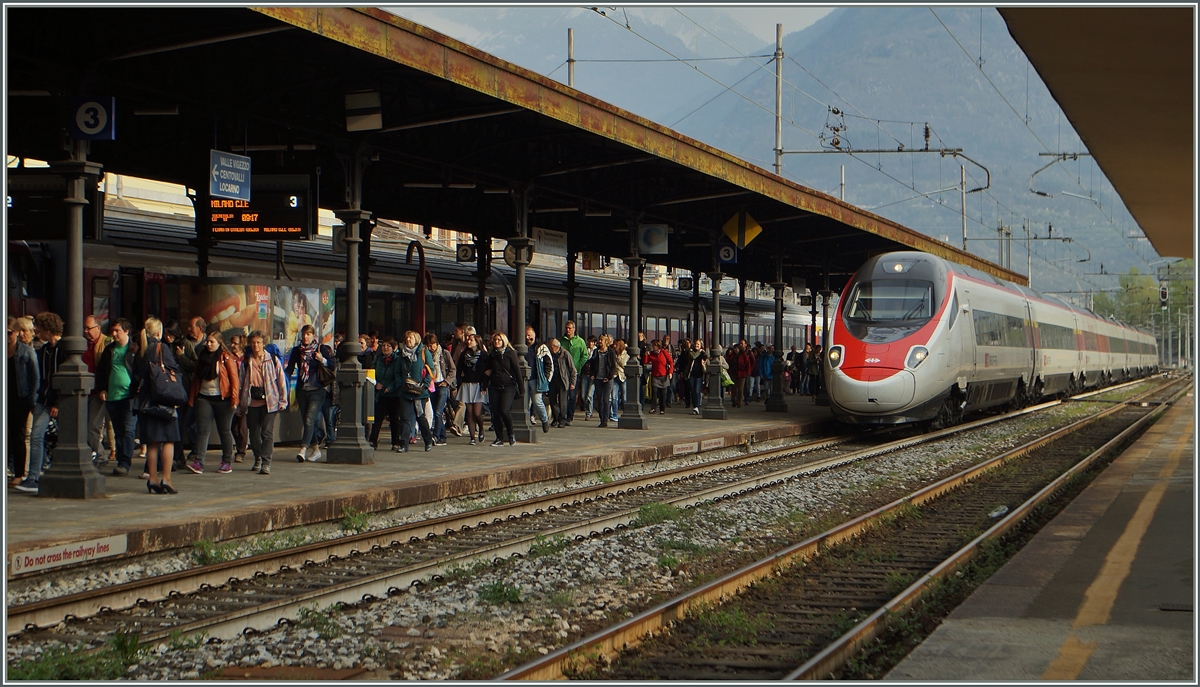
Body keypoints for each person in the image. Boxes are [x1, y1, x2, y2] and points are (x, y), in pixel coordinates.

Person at [133, 317, 183, 494]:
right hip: (164, 399)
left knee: (152, 443)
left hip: (147, 401)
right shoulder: (163, 348)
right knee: (169, 440)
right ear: (158, 332)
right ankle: (166, 479)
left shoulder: (141, 350)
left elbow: (136, 374)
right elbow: (173, 370)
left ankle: (152, 478)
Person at [16, 312, 65, 493]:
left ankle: (35, 476)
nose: (36, 331)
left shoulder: (61, 350)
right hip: (44, 399)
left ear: (48, 329)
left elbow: (60, 379)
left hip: (51, 401)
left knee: (40, 437)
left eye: (38, 327)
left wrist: (57, 403)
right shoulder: (44, 351)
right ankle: (34, 477)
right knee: (36, 437)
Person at [187, 330, 240, 474]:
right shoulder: (202, 357)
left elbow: (234, 380)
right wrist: (192, 399)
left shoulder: (226, 357)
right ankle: (199, 462)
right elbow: (196, 380)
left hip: (223, 399)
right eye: (208, 342)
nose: (209, 344)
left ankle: (226, 461)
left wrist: (235, 400)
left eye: (212, 342)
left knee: (224, 430)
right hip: (204, 397)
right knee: (202, 431)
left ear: (219, 343)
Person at [239, 330, 289, 474]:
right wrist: (240, 404)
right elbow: (241, 382)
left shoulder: (272, 360)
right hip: (252, 402)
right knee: (254, 434)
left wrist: (282, 400)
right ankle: (258, 458)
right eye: (253, 342)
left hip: (270, 402)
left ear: (263, 343)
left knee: (266, 433)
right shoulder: (247, 362)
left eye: (259, 342)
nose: (256, 345)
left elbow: (281, 381)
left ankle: (266, 462)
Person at [285, 324, 336, 463]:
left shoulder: (321, 349)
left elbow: (332, 365)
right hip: (302, 390)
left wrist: (322, 360)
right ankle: (315, 449)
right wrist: (284, 382)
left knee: (309, 419)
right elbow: (290, 368)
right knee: (308, 421)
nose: (305, 337)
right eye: (303, 334)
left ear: (313, 335)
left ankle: (303, 449)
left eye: (308, 334)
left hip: (317, 390)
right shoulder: (297, 351)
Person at [96, 318, 138, 477]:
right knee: (118, 430)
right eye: (112, 331)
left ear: (126, 331)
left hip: (129, 396)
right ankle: (122, 458)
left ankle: (124, 462)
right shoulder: (109, 350)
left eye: (117, 331)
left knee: (128, 429)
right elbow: (101, 371)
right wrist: (102, 389)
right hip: (112, 396)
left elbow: (140, 369)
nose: (114, 334)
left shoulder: (134, 349)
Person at [7, 317, 38, 489]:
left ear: (16, 333)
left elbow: (34, 377)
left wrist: (31, 400)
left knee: (19, 436)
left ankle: (19, 473)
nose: (6, 336)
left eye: (9, 333)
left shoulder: (26, 351)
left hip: (20, 399)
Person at [397, 330, 434, 451]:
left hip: (420, 392)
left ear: (416, 340)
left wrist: (425, 385)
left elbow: (430, 370)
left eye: (411, 338)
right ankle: (404, 444)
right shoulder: (401, 354)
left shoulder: (423, 352)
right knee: (405, 418)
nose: (408, 340)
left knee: (420, 416)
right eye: (407, 338)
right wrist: (400, 384)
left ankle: (428, 440)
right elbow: (397, 372)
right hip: (405, 391)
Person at [81, 315, 110, 464]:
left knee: (93, 426)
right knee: (82, 425)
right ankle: (93, 454)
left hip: (98, 391)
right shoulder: (82, 344)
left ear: (98, 328)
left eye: (89, 328)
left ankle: (101, 454)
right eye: (84, 328)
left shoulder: (106, 343)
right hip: (83, 391)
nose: (86, 331)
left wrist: (103, 388)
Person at [486, 331, 522, 446]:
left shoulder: (510, 353)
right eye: (495, 340)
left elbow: (516, 370)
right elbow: (487, 370)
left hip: (508, 386)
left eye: (499, 340)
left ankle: (511, 433)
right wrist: (485, 383)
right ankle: (499, 438)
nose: (496, 342)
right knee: (495, 412)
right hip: (494, 386)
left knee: (504, 410)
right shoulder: (491, 354)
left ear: (503, 341)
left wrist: (521, 388)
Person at [369, 337, 404, 451]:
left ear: (394, 348)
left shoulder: (398, 360)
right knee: (377, 418)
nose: (385, 348)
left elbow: (399, 377)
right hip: (381, 393)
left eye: (388, 346)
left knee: (394, 419)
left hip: (394, 394)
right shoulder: (378, 358)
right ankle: (373, 441)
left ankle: (395, 442)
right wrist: (376, 383)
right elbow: (372, 372)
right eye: (383, 345)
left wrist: (390, 387)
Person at [456, 330, 489, 444]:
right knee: (469, 412)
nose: (468, 342)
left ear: (477, 341)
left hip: (478, 385)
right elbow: (459, 369)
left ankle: (481, 429)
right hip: (467, 384)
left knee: (477, 413)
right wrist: (458, 384)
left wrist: (484, 386)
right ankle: (472, 437)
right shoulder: (464, 354)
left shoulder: (483, 355)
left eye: (471, 340)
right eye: (468, 340)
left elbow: (487, 371)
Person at [425, 333, 455, 446]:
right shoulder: (425, 355)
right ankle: (443, 436)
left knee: (439, 411)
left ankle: (436, 436)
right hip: (432, 386)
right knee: (434, 411)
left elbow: (453, 369)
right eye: (428, 345)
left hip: (442, 385)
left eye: (432, 344)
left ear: (437, 344)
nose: (431, 347)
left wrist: (446, 382)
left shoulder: (444, 353)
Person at [582, 334, 618, 427]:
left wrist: (609, 376)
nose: (600, 342)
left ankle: (605, 419)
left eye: (601, 340)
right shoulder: (596, 351)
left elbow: (614, 366)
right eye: (599, 340)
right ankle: (602, 418)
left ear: (606, 342)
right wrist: (592, 374)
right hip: (598, 378)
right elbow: (592, 363)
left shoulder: (611, 352)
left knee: (606, 399)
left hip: (607, 379)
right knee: (599, 400)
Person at [524, 326, 552, 433]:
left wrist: (546, 378)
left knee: (537, 401)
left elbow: (549, 363)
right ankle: (526, 421)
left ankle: (544, 420)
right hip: (524, 379)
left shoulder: (541, 347)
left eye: (530, 335)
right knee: (524, 403)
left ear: (534, 335)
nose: (528, 338)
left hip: (536, 378)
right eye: (526, 335)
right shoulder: (521, 346)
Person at [559, 321, 587, 423]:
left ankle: (569, 416)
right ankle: (562, 415)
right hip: (562, 372)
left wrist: (578, 366)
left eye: (570, 328)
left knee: (572, 395)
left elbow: (585, 355)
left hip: (574, 372)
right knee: (562, 395)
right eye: (566, 328)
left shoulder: (580, 341)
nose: (568, 330)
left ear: (574, 329)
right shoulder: (561, 341)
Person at [227, 334, 249, 462]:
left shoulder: (247, 359)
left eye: (235, 343)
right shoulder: (229, 357)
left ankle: (241, 451)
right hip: (232, 393)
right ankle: (240, 444)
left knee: (242, 426)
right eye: (232, 343)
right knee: (232, 426)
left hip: (244, 394)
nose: (233, 346)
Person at [547, 338, 576, 428]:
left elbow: (573, 369)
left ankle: (563, 419)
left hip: (562, 380)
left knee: (562, 401)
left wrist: (572, 382)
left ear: (556, 347)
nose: (550, 348)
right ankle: (556, 418)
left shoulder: (565, 354)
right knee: (552, 400)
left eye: (551, 346)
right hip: (552, 379)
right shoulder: (549, 354)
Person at [643, 339, 674, 415]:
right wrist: (646, 355)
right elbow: (645, 362)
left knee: (663, 393)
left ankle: (662, 409)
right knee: (654, 392)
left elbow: (670, 361)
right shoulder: (652, 354)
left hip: (664, 375)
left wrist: (670, 372)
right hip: (655, 375)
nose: (652, 347)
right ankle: (653, 408)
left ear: (657, 346)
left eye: (654, 346)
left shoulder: (664, 352)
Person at [685, 338, 708, 414]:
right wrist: (699, 351)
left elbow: (706, 359)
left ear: (701, 345)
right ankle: (695, 405)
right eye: (695, 344)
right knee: (693, 390)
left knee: (697, 391)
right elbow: (694, 356)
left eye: (698, 344)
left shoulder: (703, 353)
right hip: (692, 374)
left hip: (699, 374)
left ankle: (697, 407)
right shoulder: (691, 352)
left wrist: (704, 362)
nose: (696, 345)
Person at [610, 338, 628, 423]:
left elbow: (623, 364)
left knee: (624, 397)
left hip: (622, 376)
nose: (614, 346)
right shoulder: (612, 353)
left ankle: (626, 413)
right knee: (614, 397)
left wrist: (616, 358)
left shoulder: (626, 354)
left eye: (616, 345)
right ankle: (614, 414)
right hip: (615, 376)